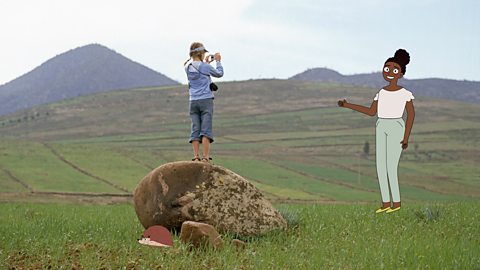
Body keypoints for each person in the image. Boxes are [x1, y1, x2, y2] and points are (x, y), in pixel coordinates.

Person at [338, 49, 415, 213]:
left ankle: (397, 203)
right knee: (381, 166)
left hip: (396, 126)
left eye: (394, 70)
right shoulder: (381, 92)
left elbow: (411, 114)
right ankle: (386, 203)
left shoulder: (404, 93)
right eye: (386, 69)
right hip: (381, 126)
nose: (389, 72)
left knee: (391, 167)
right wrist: (348, 105)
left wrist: (406, 137)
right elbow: (371, 111)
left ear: (400, 73)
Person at [184, 42, 223, 162]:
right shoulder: (204, 67)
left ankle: (196, 157)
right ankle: (206, 158)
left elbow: (198, 71)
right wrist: (218, 61)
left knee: (195, 128)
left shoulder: (187, 66)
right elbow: (219, 74)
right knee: (206, 129)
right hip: (205, 100)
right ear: (201, 53)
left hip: (193, 101)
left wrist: (205, 63)